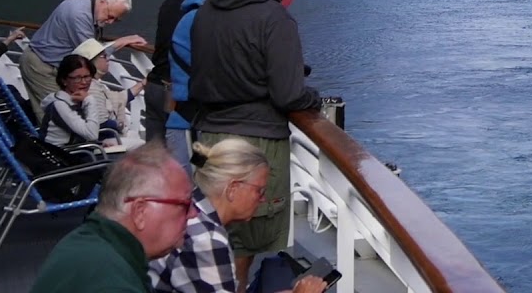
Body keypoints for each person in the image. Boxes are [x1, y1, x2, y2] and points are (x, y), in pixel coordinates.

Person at [190, 0, 320, 290]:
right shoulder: (275, 19)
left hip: (209, 138)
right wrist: (314, 97)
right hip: (255, 142)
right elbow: (288, 93)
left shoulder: (206, 10)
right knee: (243, 247)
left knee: (212, 233)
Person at [149, 138, 326, 293]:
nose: (263, 199)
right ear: (233, 189)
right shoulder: (207, 239)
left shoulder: (192, 207)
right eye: (259, 191)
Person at [29, 142, 195, 293]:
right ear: (140, 212)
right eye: (185, 204)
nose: (194, 213)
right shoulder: (111, 283)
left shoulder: (88, 242)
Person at [21, 0, 147, 122]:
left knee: (63, 113)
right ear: (103, 1)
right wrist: (122, 41)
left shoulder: (89, 4)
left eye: (115, 20)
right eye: (110, 16)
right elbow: (90, 52)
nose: (110, 22)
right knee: (56, 119)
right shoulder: (79, 15)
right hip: (41, 66)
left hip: (56, 67)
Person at [167, 0, 236, 170]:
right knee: (195, 188)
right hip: (192, 124)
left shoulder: (195, 18)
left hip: (193, 121)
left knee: (200, 187)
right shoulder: (201, 22)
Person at [146, 0, 210, 142]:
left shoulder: (167, 5)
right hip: (176, 94)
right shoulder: (202, 10)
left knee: (153, 156)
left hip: (155, 84)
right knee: (181, 157)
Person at [77, 38, 146, 141]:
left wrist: (143, 83)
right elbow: (102, 123)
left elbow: (121, 98)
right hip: (106, 141)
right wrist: (120, 125)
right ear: (91, 63)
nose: (108, 58)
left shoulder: (93, 84)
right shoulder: (91, 88)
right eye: (104, 56)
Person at [40, 54, 109, 147]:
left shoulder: (79, 100)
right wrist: (90, 101)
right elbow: (91, 135)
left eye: (87, 77)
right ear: (64, 80)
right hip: (60, 155)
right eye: (77, 78)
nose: (84, 82)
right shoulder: (60, 104)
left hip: (78, 149)